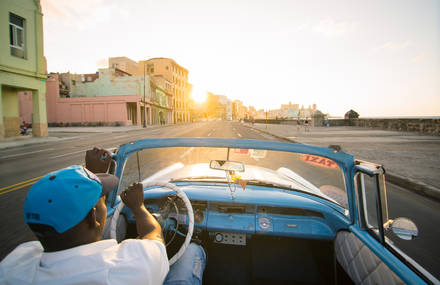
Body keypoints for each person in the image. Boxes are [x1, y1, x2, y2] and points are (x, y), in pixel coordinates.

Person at [0, 147, 206, 284]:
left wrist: (89, 177)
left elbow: (60, 216)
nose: (105, 201)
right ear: (93, 218)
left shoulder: (14, 264)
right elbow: (154, 234)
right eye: (101, 199)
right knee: (192, 251)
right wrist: (138, 207)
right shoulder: (125, 268)